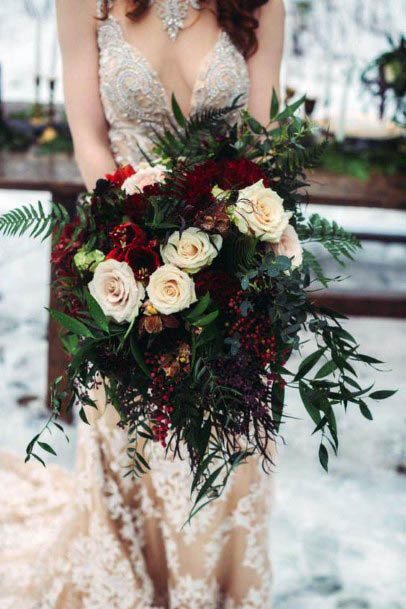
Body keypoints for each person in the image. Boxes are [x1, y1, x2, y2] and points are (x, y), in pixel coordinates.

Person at [0, 1, 285, 607]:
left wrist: (222, 251)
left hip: (230, 272)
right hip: (125, 269)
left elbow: (262, 147)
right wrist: (139, 242)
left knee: (225, 457)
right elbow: (88, 138)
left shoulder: (260, 3)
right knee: (134, 451)